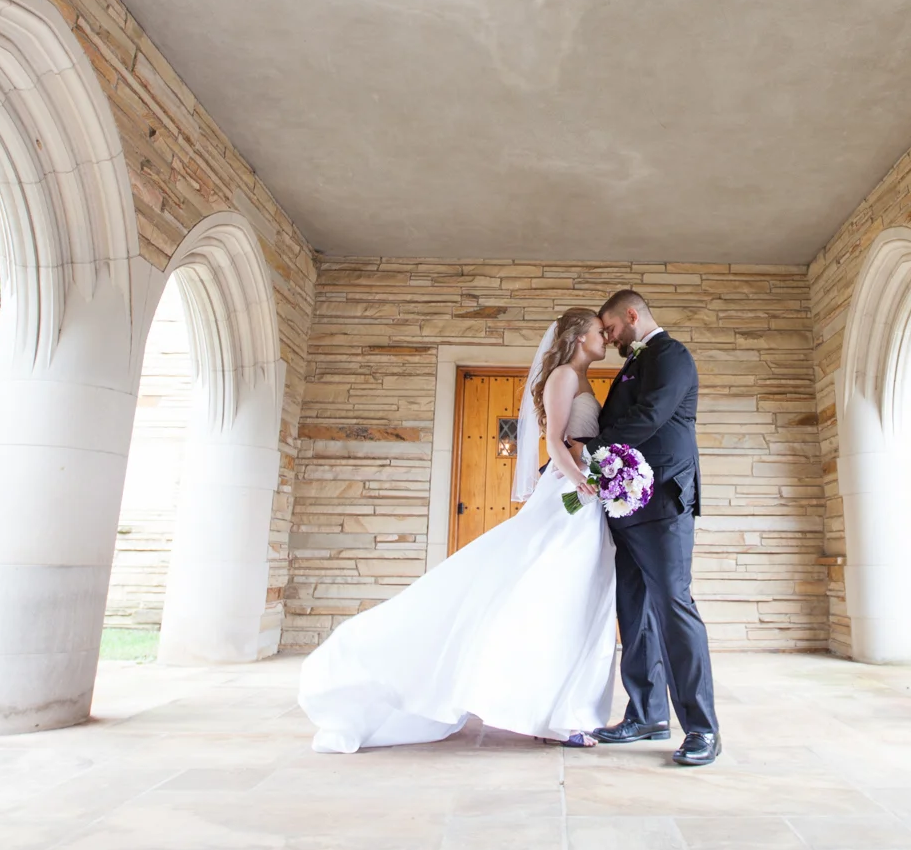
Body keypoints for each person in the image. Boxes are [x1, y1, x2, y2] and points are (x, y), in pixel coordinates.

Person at [298, 307, 618, 752]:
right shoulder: (564, 375)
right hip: (568, 497)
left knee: (573, 596)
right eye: (600, 332)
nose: (607, 338)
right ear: (581, 336)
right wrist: (584, 481)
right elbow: (554, 443)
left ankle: (561, 709)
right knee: (556, 592)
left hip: (584, 500)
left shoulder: (581, 377)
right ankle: (555, 715)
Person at [587, 289, 720, 766]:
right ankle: (647, 713)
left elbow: (649, 418)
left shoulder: (672, 354)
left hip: (664, 500)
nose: (609, 336)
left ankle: (702, 728)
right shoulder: (632, 363)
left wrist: (589, 454)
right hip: (626, 507)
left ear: (631, 314)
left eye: (611, 328)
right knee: (635, 610)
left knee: (673, 607)